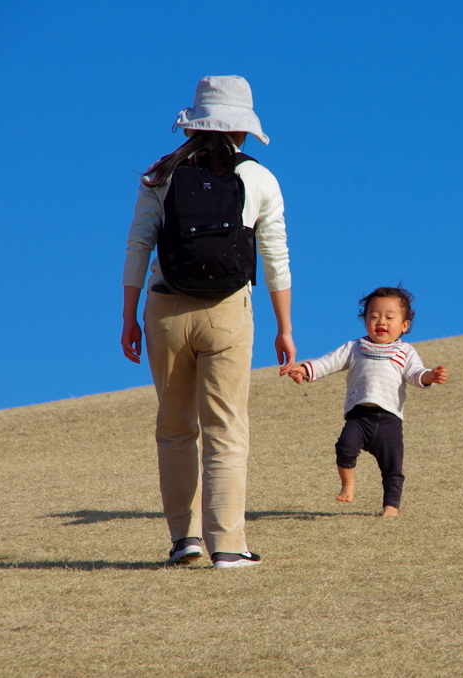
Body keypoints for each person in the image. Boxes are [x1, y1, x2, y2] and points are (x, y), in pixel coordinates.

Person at [121, 75, 295, 567]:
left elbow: (138, 245)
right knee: (227, 429)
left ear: (194, 125)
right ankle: (228, 546)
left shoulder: (160, 175)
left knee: (175, 427)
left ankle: (185, 541)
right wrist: (284, 327)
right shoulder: (260, 179)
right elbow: (275, 256)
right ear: (242, 130)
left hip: (164, 311)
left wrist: (129, 316)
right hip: (228, 314)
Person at [287, 287, 447, 517]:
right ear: (364, 321)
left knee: (392, 467)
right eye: (373, 316)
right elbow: (328, 362)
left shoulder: (404, 351)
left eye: (389, 317)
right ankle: (348, 485)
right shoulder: (355, 347)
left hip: (390, 420)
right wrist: (305, 370)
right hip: (359, 416)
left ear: (404, 325)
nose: (380, 321)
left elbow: (415, 373)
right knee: (344, 447)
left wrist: (429, 376)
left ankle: (391, 507)